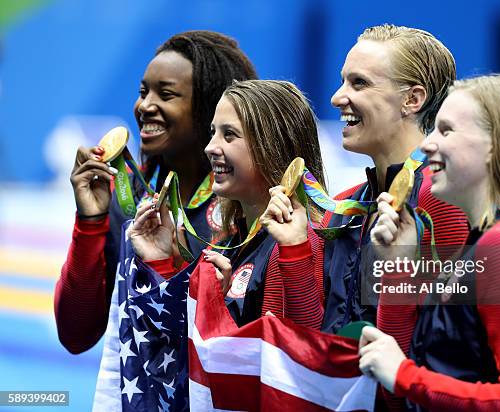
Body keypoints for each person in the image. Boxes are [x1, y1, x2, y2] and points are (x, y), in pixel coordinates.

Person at [361, 74, 500, 411]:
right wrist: (401, 264)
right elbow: (415, 383)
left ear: (496, 145)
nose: (425, 144)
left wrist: (406, 375)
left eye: (446, 130)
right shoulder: (482, 244)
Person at [54, 31, 257, 354]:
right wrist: (90, 222)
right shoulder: (128, 197)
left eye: (166, 94)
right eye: (143, 91)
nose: (145, 106)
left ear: (212, 107)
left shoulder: (249, 203)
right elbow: (76, 334)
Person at [129, 79, 327, 329]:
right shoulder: (229, 243)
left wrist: (293, 253)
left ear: (273, 146)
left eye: (229, 135)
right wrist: (159, 261)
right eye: (213, 133)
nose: (210, 147)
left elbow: (294, 351)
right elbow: (187, 351)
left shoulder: (294, 245)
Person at [321, 24, 468, 333]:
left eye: (359, 83)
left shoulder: (443, 199)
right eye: (342, 81)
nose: (337, 97)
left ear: (412, 100)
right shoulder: (342, 208)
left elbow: (458, 338)